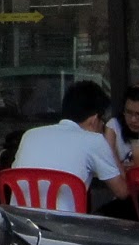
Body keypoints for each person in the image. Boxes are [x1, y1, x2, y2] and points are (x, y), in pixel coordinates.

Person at [11, 80, 130, 214]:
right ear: (95, 119)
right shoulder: (94, 140)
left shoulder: (30, 135)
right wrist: (110, 145)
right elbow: (123, 192)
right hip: (65, 229)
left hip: (20, 226)